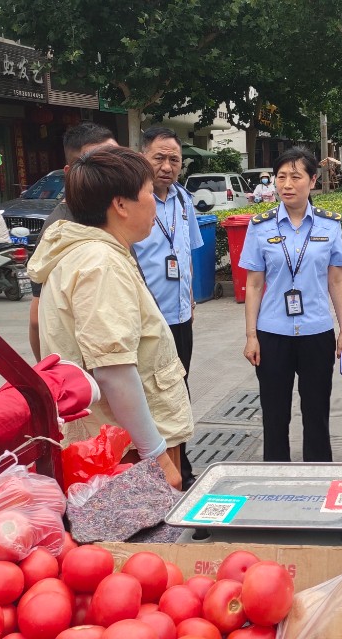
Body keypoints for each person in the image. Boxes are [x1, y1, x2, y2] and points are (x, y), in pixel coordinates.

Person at [28, 146, 192, 489]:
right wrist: (157, 454)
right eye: (148, 192)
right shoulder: (100, 263)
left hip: (121, 445)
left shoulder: (94, 253)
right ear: (120, 205)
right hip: (126, 452)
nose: (154, 203)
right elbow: (114, 371)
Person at [239, 147, 342, 462]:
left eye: (295, 177)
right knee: (274, 416)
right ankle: (276, 480)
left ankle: (318, 476)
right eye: (281, 177)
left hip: (317, 332)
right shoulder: (260, 226)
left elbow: (337, 281)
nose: (286, 184)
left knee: (317, 413)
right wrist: (251, 335)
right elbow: (254, 283)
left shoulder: (329, 226)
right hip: (272, 333)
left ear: (313, 180)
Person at [135, 126, 203, 489]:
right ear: (142, 157)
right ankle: (153, 469)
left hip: (179, 317)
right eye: (158, 157)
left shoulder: (182, 201)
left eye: (173, 159)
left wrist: (189, 296)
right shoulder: (133, 200)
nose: (166, 166)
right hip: (146, 321)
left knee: (179, 391)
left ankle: (181, 464)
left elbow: (187, 254)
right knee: (147, 395)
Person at [29, 122, 118, 362]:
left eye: (117, 160)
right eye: (99, 165)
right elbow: (37, 320)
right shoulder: (59, 229)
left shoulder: (109, 212)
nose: (115, 171)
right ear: (71, 172)